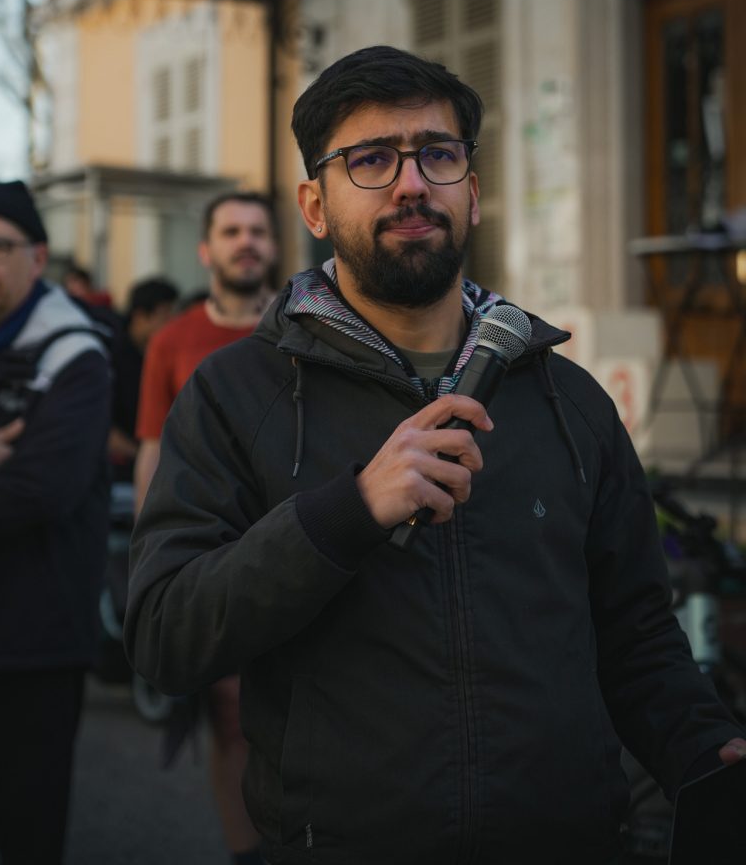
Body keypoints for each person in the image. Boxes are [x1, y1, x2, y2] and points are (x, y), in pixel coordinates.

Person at [125, 47, 745, 865]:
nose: (412, 183)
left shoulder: (570, 401)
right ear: (315, 206)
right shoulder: (235, 394)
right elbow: (165, 634)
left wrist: (704, 749)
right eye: (371, 159)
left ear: (472, 193)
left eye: (437, 154)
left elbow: (636, 634)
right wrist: (348, 513)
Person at [0, 180, 111, 865]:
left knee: (28, 835)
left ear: (38, 257)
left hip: (33, 644)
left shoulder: (75, 357)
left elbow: (38, 493)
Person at [134, 191, 278, 865]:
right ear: (206, 250)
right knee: (230, 717)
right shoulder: (172, 340)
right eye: (231, 231)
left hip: (310, 540)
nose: (245, 242)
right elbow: (152, 452)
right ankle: (247, 853)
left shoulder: (307, 324)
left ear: (273, 246)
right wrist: (152, 558)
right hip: (215, 556)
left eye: (257, 231)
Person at [107, 276, 178, 483]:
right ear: (140, 316)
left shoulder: (164, 355)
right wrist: (145, 456)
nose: (173, 322)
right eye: (164, 315)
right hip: (122, 474)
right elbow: (103, 428)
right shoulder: (111, 357)